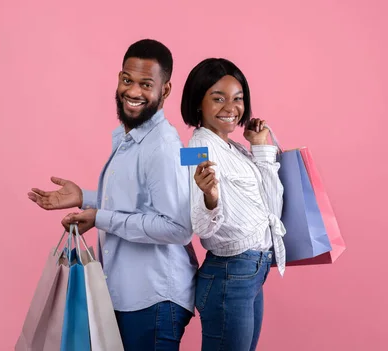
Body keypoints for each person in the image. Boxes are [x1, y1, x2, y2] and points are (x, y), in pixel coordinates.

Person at [27, 39, 198, 350]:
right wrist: (85, 198)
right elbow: (140, 203)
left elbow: (177, 227)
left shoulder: (162, 147)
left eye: (146, 84)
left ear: (166, 90)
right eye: (126, 79)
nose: (132, 92)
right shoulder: (132, 139)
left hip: (153, 300)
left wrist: (101, 217)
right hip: (129, 297)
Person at [180, 58, 286, 351]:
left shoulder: (236, 148)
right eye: (218, 99)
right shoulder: (196, 148)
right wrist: (210, 198)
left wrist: (261, 147)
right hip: (230, 274)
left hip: (252, 271)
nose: (231, 107)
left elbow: (273, 209)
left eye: (238, 99)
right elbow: (200, 226)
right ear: (198, 103)